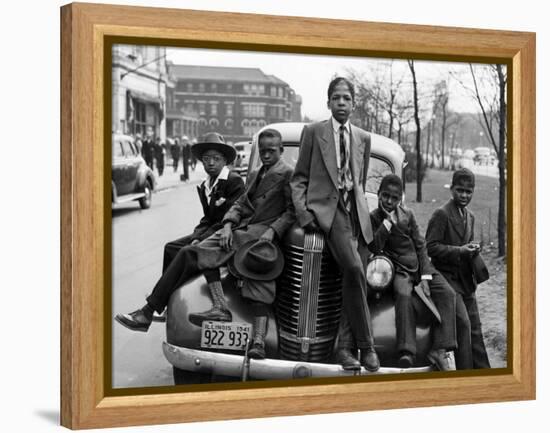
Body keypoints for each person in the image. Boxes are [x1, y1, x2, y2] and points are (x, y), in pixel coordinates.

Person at [115, 128, 295, 359]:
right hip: (239, 232)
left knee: (190, 254)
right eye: (263, 151)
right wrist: (229, 224)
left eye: (272, 151)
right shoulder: (258, 173)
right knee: (190, 252)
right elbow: (240, 204)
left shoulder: (288, 174)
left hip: (258, 239)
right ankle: (159, 311)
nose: (267, 155)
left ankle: (148, 312)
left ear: (281, 150)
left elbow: (291, 212)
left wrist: (271, 231)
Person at [290, 77, 379, 372]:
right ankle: (366, 347)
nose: (342, 103)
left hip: (357, 216)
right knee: (354, 269)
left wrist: (362, 212)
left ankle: (344, 348)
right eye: (336, 98)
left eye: (347, 98)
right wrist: (305, 215)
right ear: (328, 102)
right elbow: (299, 178)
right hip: (330, 211)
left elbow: (361, 181)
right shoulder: (314, 132)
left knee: (354, 279)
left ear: (354, 103)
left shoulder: (363, 138)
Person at [363, 174, 456, 371]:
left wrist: (425, 275)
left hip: (419, 268)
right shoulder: (374, 218)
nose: (389, 201)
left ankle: (440, 348)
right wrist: (387, 223)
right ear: (379, 195)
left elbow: (421, 245)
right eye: (385, 196)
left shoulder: (408, 214)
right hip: (398, 269)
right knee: (403, 295)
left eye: (394, 198)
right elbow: (375, 246)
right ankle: (407, 351)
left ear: (400, 199)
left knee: (447, 293)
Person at [426, 168, 491, 370]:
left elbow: (465, 243)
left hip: (465, 281)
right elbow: (431, 247)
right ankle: (465, 373)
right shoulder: (441, 214)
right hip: (446, 280)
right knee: (463, 324)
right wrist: (460, 250)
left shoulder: (469, 216)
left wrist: (472, 248)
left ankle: (484, 373)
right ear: (452, 189)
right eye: (460, 190)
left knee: (476, 329)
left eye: (468, 191)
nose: (464, 195)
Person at [161, 132, 245, 273]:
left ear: (224, 161)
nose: (211, 163)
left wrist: (200, 239)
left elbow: (227, 220)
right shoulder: (205, 185)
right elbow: (207, 218)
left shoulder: (233, 181)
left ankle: (167, 292)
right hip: (208, 232)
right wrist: (196, 237)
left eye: (216, 158)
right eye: (206, 159)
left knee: (186, 253)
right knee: (170, 248)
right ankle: (168, 290)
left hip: (224, 235)